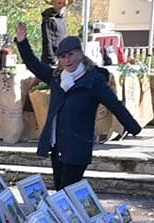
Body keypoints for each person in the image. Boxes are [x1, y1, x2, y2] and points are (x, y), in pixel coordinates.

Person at [14, 24, 141, 190]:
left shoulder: (93, 81)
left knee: (68, 190)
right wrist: (22, 42)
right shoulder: (56, 77)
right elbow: (34, 65)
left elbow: (115, 105)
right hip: (58, 143)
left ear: (80, 54)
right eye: (63, 56)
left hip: (78, 145)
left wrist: (133, 128)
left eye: (71, 55)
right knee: (61, 190)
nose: (67, 60)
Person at [41, 0, 71, 66]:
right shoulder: (49, 19)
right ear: (53, 3)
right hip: (52, 61)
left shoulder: (62, 19)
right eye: (59, 3)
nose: (62, 6)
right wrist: (52, 59)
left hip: (62, 59)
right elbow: (47, 40)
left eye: (64, 4)